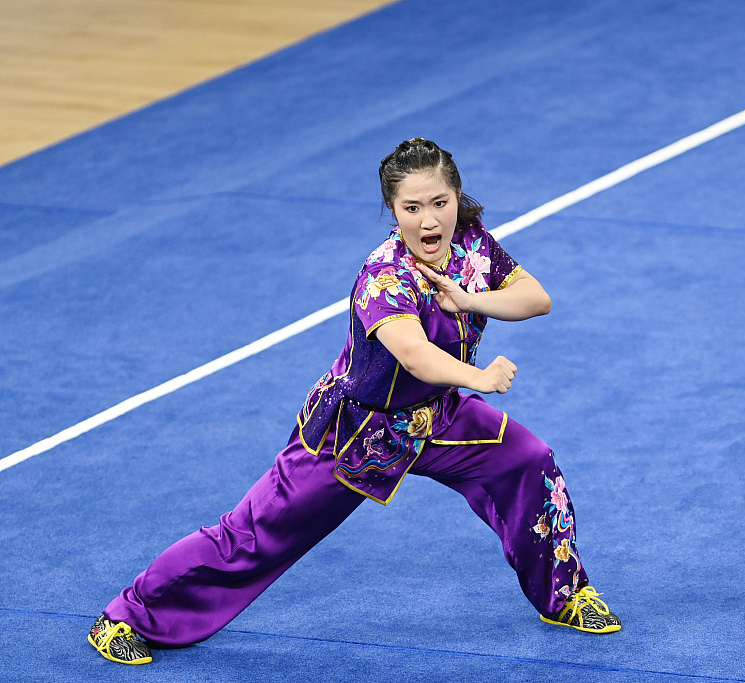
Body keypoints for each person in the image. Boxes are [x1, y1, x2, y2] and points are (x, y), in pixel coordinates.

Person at [87, 138, 620, 666]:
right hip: (352, 434)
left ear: (458, 196)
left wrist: (469, 299)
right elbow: (414, 356)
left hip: (437, 417)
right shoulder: (383, 277)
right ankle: (126, 617)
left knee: (527, 460)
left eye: (439, 203)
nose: (429, 221)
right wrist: (476, 377)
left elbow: (536, 298)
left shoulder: (473, 247)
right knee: (252, 536)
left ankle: (565, 593)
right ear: (393, 210)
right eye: (412, 208)